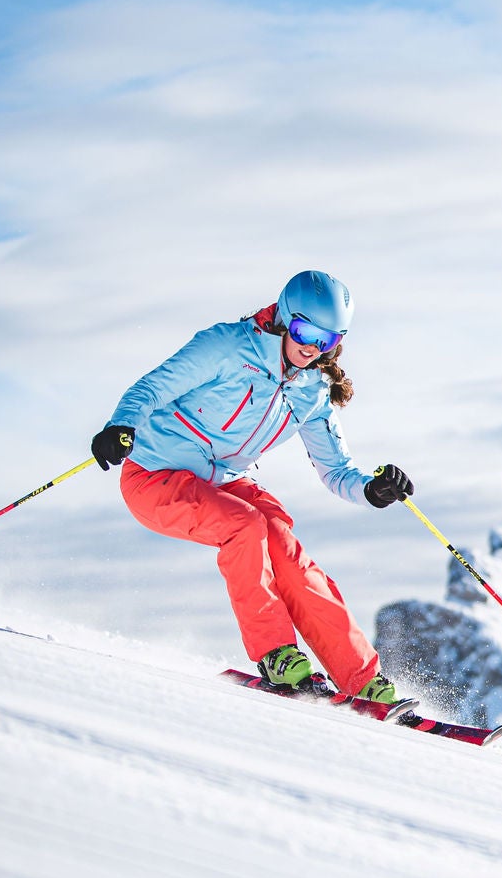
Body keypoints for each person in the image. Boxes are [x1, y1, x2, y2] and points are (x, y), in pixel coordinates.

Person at [90, 270, 415, 702]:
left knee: (285, 548)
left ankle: (362, 678)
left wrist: (373, 490)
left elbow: (336, 471)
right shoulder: (226, 346)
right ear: (283, 317)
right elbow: (152, 387)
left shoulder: (313, 391)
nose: (311, 347)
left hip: (223, 483)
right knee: (244, 525)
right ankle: (277, 655)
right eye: (304, 332)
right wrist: (120, 426)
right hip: (155, 475)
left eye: (328, 340)